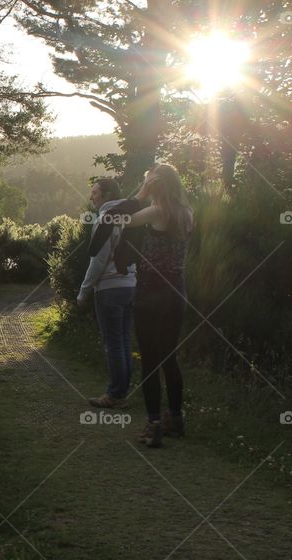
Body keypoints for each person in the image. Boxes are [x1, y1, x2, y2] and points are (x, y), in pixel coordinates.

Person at [120, 164, 193, 448]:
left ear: (157, 185)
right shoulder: (187, 214)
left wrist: (141, 192)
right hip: (177, 291)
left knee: (150, 361)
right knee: (169, 358)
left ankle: (153, 425)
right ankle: (175, 418)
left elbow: (124, 220)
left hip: (151, 292)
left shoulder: (156, 211)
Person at [77, 178, 138, 409]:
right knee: (123, 341)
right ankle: (122, 392)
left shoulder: (105, 219)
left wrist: (84, 292)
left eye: (95, 192)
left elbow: (98, 260)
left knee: (113, 343)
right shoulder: (132, 216)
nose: (92, 197)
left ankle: (115, 395)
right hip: (130, 285)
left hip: (110, 288)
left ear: (107, 194)